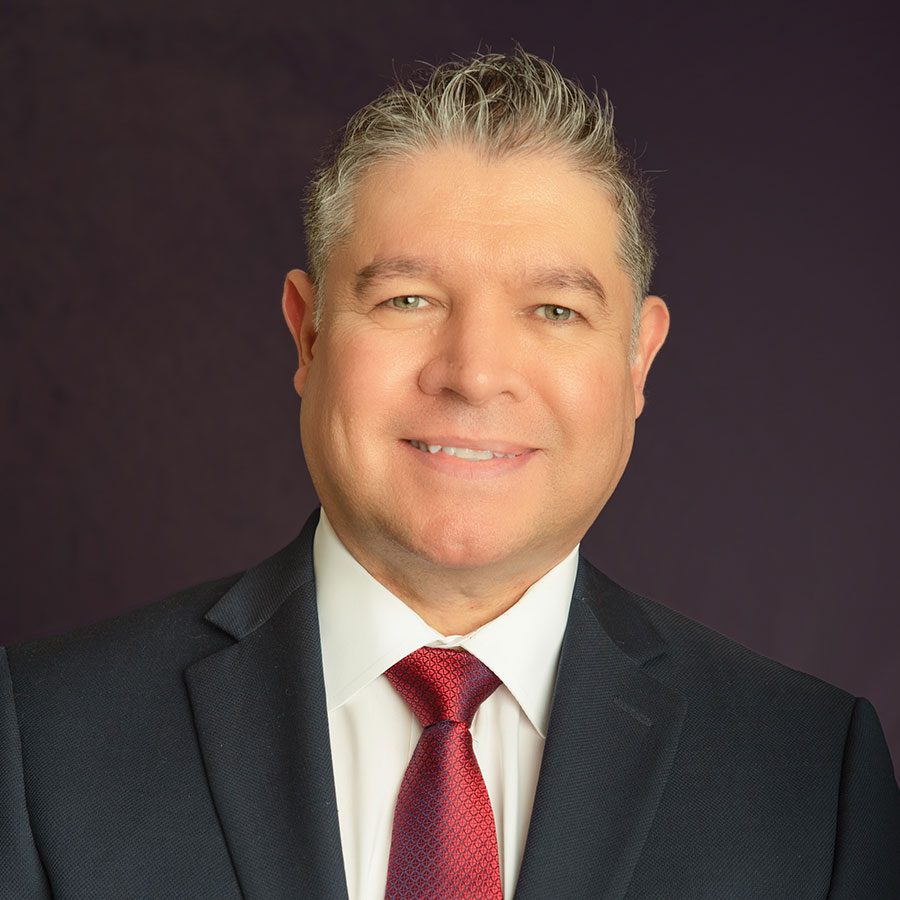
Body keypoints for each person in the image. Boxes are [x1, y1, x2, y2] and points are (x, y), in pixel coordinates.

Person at [1, 49, 897, 900]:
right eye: (408, 301)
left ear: (638, 362)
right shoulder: (45, 740)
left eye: (554, 309)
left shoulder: (810, 775)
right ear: (308, 334)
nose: (472, 373)